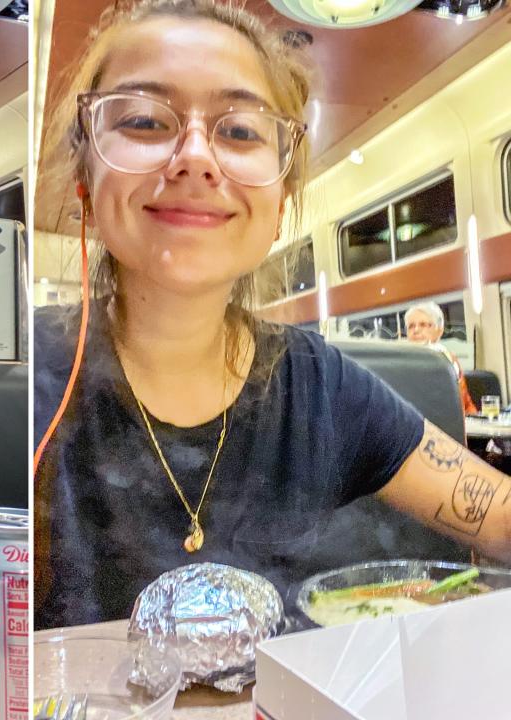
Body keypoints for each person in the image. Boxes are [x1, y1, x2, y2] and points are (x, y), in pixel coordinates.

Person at [33, 0, 511, 630]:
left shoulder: (323, 385)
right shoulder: (29, 382)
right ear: (86, 178)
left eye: (239, 132)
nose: (196, 157)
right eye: (146, 120)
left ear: (282, 199)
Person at [405, 301, 478, 415]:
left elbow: (465, 403)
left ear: (439, 331)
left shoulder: (449, 359)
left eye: (423, 325)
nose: (416, 330)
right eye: (411, 326)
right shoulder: (400, 362)